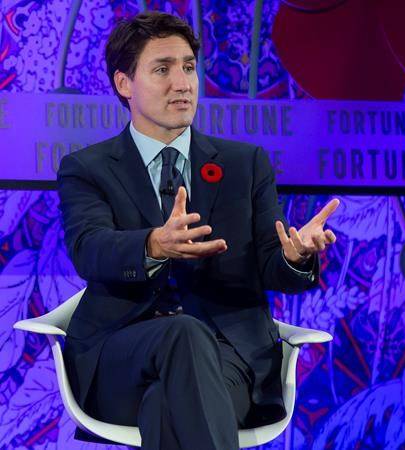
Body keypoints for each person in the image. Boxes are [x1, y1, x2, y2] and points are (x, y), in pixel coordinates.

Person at [57, 11, 339, 450]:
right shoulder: (88, 169)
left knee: (165, 406)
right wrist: (153, 244)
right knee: (181, 341)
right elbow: (88, 248)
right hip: (121, 357)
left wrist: (295, 256)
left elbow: (272, 266)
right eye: (162, 69)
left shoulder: (244, 165)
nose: (183, 83)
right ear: (124, 84)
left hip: (229, 357)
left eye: (188, 66)